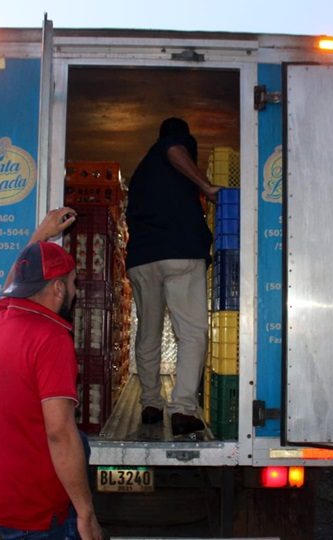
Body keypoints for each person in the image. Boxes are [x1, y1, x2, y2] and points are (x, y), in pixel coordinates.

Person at [0, 207, 102, 540]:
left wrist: (39, 238)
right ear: (57, 289)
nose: (76, 291)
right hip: (36, 513)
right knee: (76, 441)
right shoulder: (51, 338)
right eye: (72, 284)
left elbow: (11, 284)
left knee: (83, 443)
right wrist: (85, 514)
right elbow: (59, 432)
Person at [125, 117, 221, 436]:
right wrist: (206, 186)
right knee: (192, 332)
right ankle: (182, 409)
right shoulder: (175, 146)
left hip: (142, 259)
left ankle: (151, 404)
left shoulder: (140, 174)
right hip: (180, 252)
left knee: (148, 333)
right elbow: (174, 149)